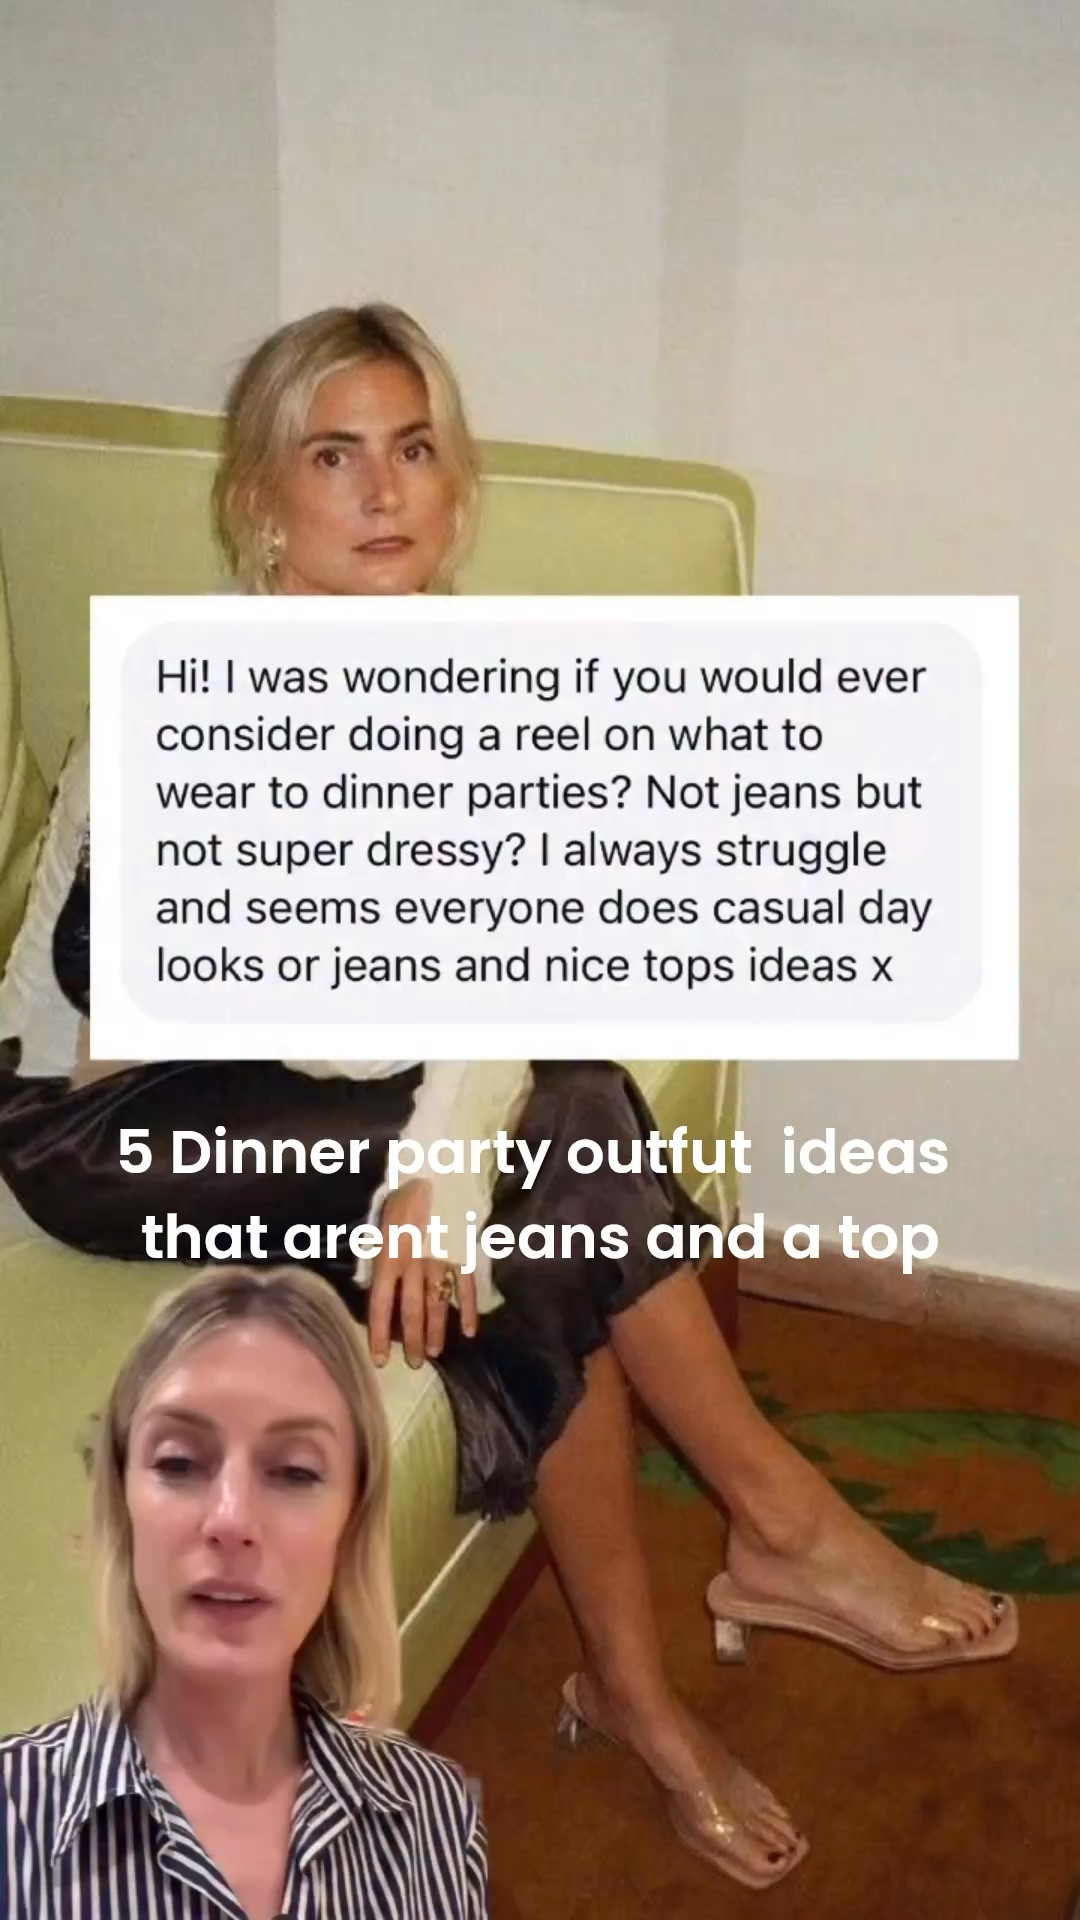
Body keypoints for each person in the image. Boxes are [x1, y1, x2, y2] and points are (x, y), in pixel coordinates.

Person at [0, 304, 1018, 1893]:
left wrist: (448, 1163)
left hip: (276, 1087)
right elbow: (303, 1027)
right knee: (550, 1131)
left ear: (453, 482)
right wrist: (445, 1148)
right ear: (261, 502)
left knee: (550, 1171)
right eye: (334, 457)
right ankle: (770, 1534)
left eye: (412, 450)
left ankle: (652, 1674)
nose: (383, 490)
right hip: (102, 1128)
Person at [0, 1263, 489, 1919]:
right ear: (120, 1507)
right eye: (179, 1462)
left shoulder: (435, 1820)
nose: (231, 1519)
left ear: (350, 1524)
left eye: (293, 1472)